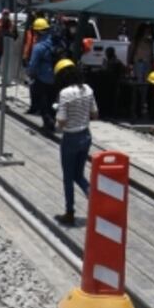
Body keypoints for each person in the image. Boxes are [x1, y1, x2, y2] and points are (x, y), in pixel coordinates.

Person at [53, 59, 97, 226]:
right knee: (79, 174)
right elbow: (95, 114)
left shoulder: (64, 94)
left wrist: (56, 122)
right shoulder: (88, 89)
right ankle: (95, 199)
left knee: (68, 178)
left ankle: (70, 213)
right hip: (86, 136)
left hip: (70, 139)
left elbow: (61, 122)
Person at [28, 17, 57, 133]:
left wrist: (30, 75)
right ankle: (53, 121)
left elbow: (33, 65)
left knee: (42, 103)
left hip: (43, 78)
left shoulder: (39, 47)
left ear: (38, 32)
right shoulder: (54, 42)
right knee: (52, 101)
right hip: (56, 77)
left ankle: (48, 124)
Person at [129, 23, 154, 116]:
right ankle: (137, 106)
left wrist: (153, 65)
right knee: (139, 85)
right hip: (139, 63)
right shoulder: (137, 41)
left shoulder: (150, 42)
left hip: (147, 64)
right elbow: (131, 52)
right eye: (146, 31)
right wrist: (130, 64)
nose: (148, 33)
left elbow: (152, 55)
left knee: (146, 86)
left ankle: (142, 105)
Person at [0, 8, 17, 87]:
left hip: (8, 49)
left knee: (7, 66)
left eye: (7, 14)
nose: (5, 16)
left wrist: (10, 37)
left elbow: (16, 35)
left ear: (8, 15)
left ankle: (6, 80)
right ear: (2, 14)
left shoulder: (12, 25)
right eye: (4, 14)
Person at [102, 46, 126, 118]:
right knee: (112, 99)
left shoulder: (113, 62)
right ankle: (112, 113)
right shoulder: (116, 61)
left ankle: (112, 114)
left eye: (107, 53)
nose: (106, 54)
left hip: (113, 83)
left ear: (110, 53)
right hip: (113, 83)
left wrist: (104, 65)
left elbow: (107, 72)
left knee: (112, 99)